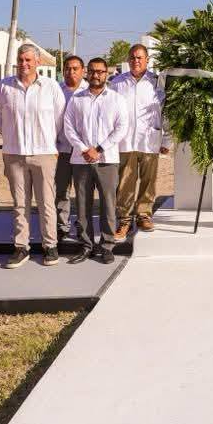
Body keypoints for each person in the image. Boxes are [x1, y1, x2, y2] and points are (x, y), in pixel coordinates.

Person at [0, 43, 67, 268]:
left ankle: (50, 245)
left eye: (28, 60)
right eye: (20, 60)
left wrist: (49, 144)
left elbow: (60, 119)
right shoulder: (5, 86)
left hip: (44, 153)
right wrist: (12, 137)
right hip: (14, 153)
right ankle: (21, 247)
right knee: (20, 203)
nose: (24, 64)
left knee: (46, 202)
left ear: (38, 62)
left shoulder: (51, 87)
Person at [64, 58, 129, 265]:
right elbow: (69, 127)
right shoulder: (76, 99)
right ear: (86, 73)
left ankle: (107, 246)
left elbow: (121, 127)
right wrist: (85, 149)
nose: (95, 75)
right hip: (81, 160)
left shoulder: (116, 99)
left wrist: (99, 149)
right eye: (92, 71)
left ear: (107, 73)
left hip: (107, 159)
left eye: (100, 71)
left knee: (108, 205)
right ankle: (86, 246)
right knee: (82, 205)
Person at [111, 44, 170, 237]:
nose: (136, 61)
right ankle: (124, 220)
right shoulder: (117, 82)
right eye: (133, 57)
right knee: (125, 182)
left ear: (147, 60)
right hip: (125, 141)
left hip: (149, 140)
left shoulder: (156, 82)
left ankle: (144, 215)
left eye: (140, 58)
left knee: (148, 180)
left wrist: (167, 140)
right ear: (128, 60)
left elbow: (165, 112)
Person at [54, 55, 89, 245]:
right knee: (61, 192)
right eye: (67, 68)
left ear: (83, 70)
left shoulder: (89, 90)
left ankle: (83, 228)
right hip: (61, 150)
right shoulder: (56, 91)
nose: (71, 72)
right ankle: (62, 226)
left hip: (82, 152)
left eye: (75, 68)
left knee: (82, 191)